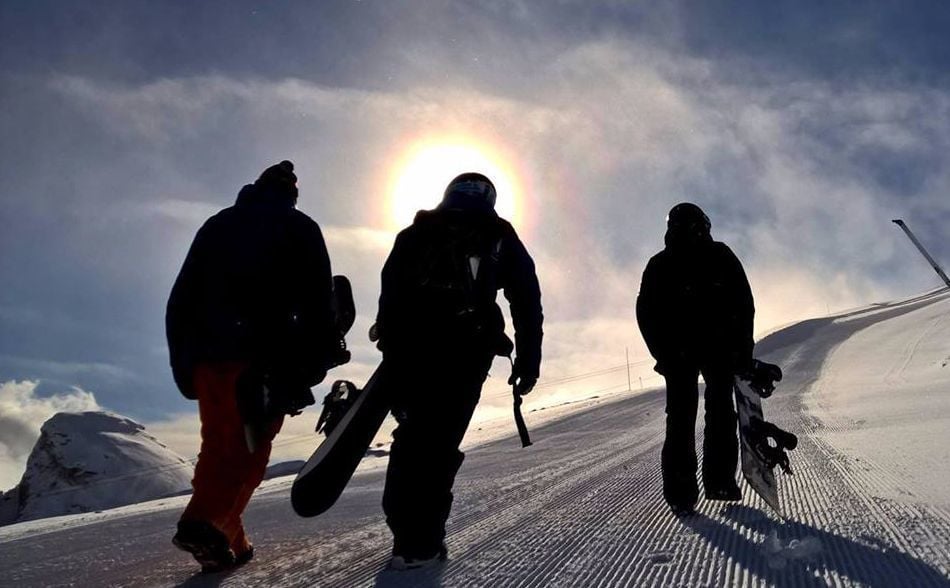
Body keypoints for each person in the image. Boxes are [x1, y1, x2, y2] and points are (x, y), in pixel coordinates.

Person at [166, 160, 343, 572]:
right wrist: (315, 361)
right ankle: (202, 524)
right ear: (291, 194)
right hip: (264, 356)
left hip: (207, 356)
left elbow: (181, 296)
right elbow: (319, 302)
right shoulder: (300, 228)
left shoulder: (217, 224)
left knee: (219, 447)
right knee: (249, 451)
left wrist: (183, 362)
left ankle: (231, 539)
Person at [374, 172, 543, 569]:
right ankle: (420, 542)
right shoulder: (499, 235)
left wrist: (390, 349)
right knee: (439, 441)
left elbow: (390, 294)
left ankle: (406, 535)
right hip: (467, 352)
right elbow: (526, 299)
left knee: (412, 437)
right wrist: (529, 359)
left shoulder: (416, 232)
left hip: (411, 352)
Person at [635, 202, 755, 515]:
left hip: (704, 352)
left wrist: (742, 350)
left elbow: (742, 304)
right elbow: (646, 313)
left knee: (694, 416)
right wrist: (663, 354)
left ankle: (691, 490)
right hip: (692, 353)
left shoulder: (712, 257)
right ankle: (711, 483)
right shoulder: (666, 263)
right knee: (705, 414)